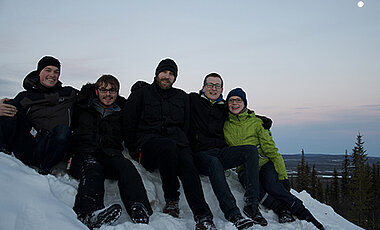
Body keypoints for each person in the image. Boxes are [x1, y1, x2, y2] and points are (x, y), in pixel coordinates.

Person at [124, 58, 216, 230]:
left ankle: (203, 216)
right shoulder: (141, 94)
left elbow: (187, 125)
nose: (167, 77)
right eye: (164, 72)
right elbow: (128, 122)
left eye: (171, 74)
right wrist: (134, 149)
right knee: (167, 146)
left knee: (188, 165)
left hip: (178, 144)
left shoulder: (181, 97)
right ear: (157, 73)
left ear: (175, 77)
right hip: (149, 145)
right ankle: (171, 200)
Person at [223, 88, 325, 230]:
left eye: (238, 100)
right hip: (245, 167)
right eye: (231, 100)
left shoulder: (257, 123)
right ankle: (281, 209)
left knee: (273, 185)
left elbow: (271, 150)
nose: (235, 103)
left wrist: (283, 175)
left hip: (265, 163)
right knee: (256, 190)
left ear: (245, 103)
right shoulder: (225, 124)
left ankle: (303, 212)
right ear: (227, 103)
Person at [69, 75, 152, 229]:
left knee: (127, 167)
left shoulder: (122, 112)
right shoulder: (82, 107)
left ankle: (139, 208)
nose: (108, 94)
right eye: (103, 90)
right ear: (96, 90)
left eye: (112, 90)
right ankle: (89, 212)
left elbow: (143, 115)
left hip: (110, 154)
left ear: (117, 92)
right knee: (92, 168)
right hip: (84, 154)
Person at [188, 73, 268, 230]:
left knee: (250, 151)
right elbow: (171, 97)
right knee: (214, 162)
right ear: (203, 87)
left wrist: (260, 118)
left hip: (220, 152)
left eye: (217, 85)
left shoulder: (223, 107)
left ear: (222, 89)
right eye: (210, 85)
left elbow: (239, 110)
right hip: (200, 154)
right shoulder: (192, 100)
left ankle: (251, 204)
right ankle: (233, 214)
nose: (213, 88)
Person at [0, 56, 77, 174]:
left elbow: (92, 95)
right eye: (48, 70)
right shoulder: (26, 96)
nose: (52, 74)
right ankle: (3, 157)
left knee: (62, 130)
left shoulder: (69, 93)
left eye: (56, 72)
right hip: (30, 139)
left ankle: (45, 168)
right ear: (39, 72)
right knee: (8, 106)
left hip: (54, 143)